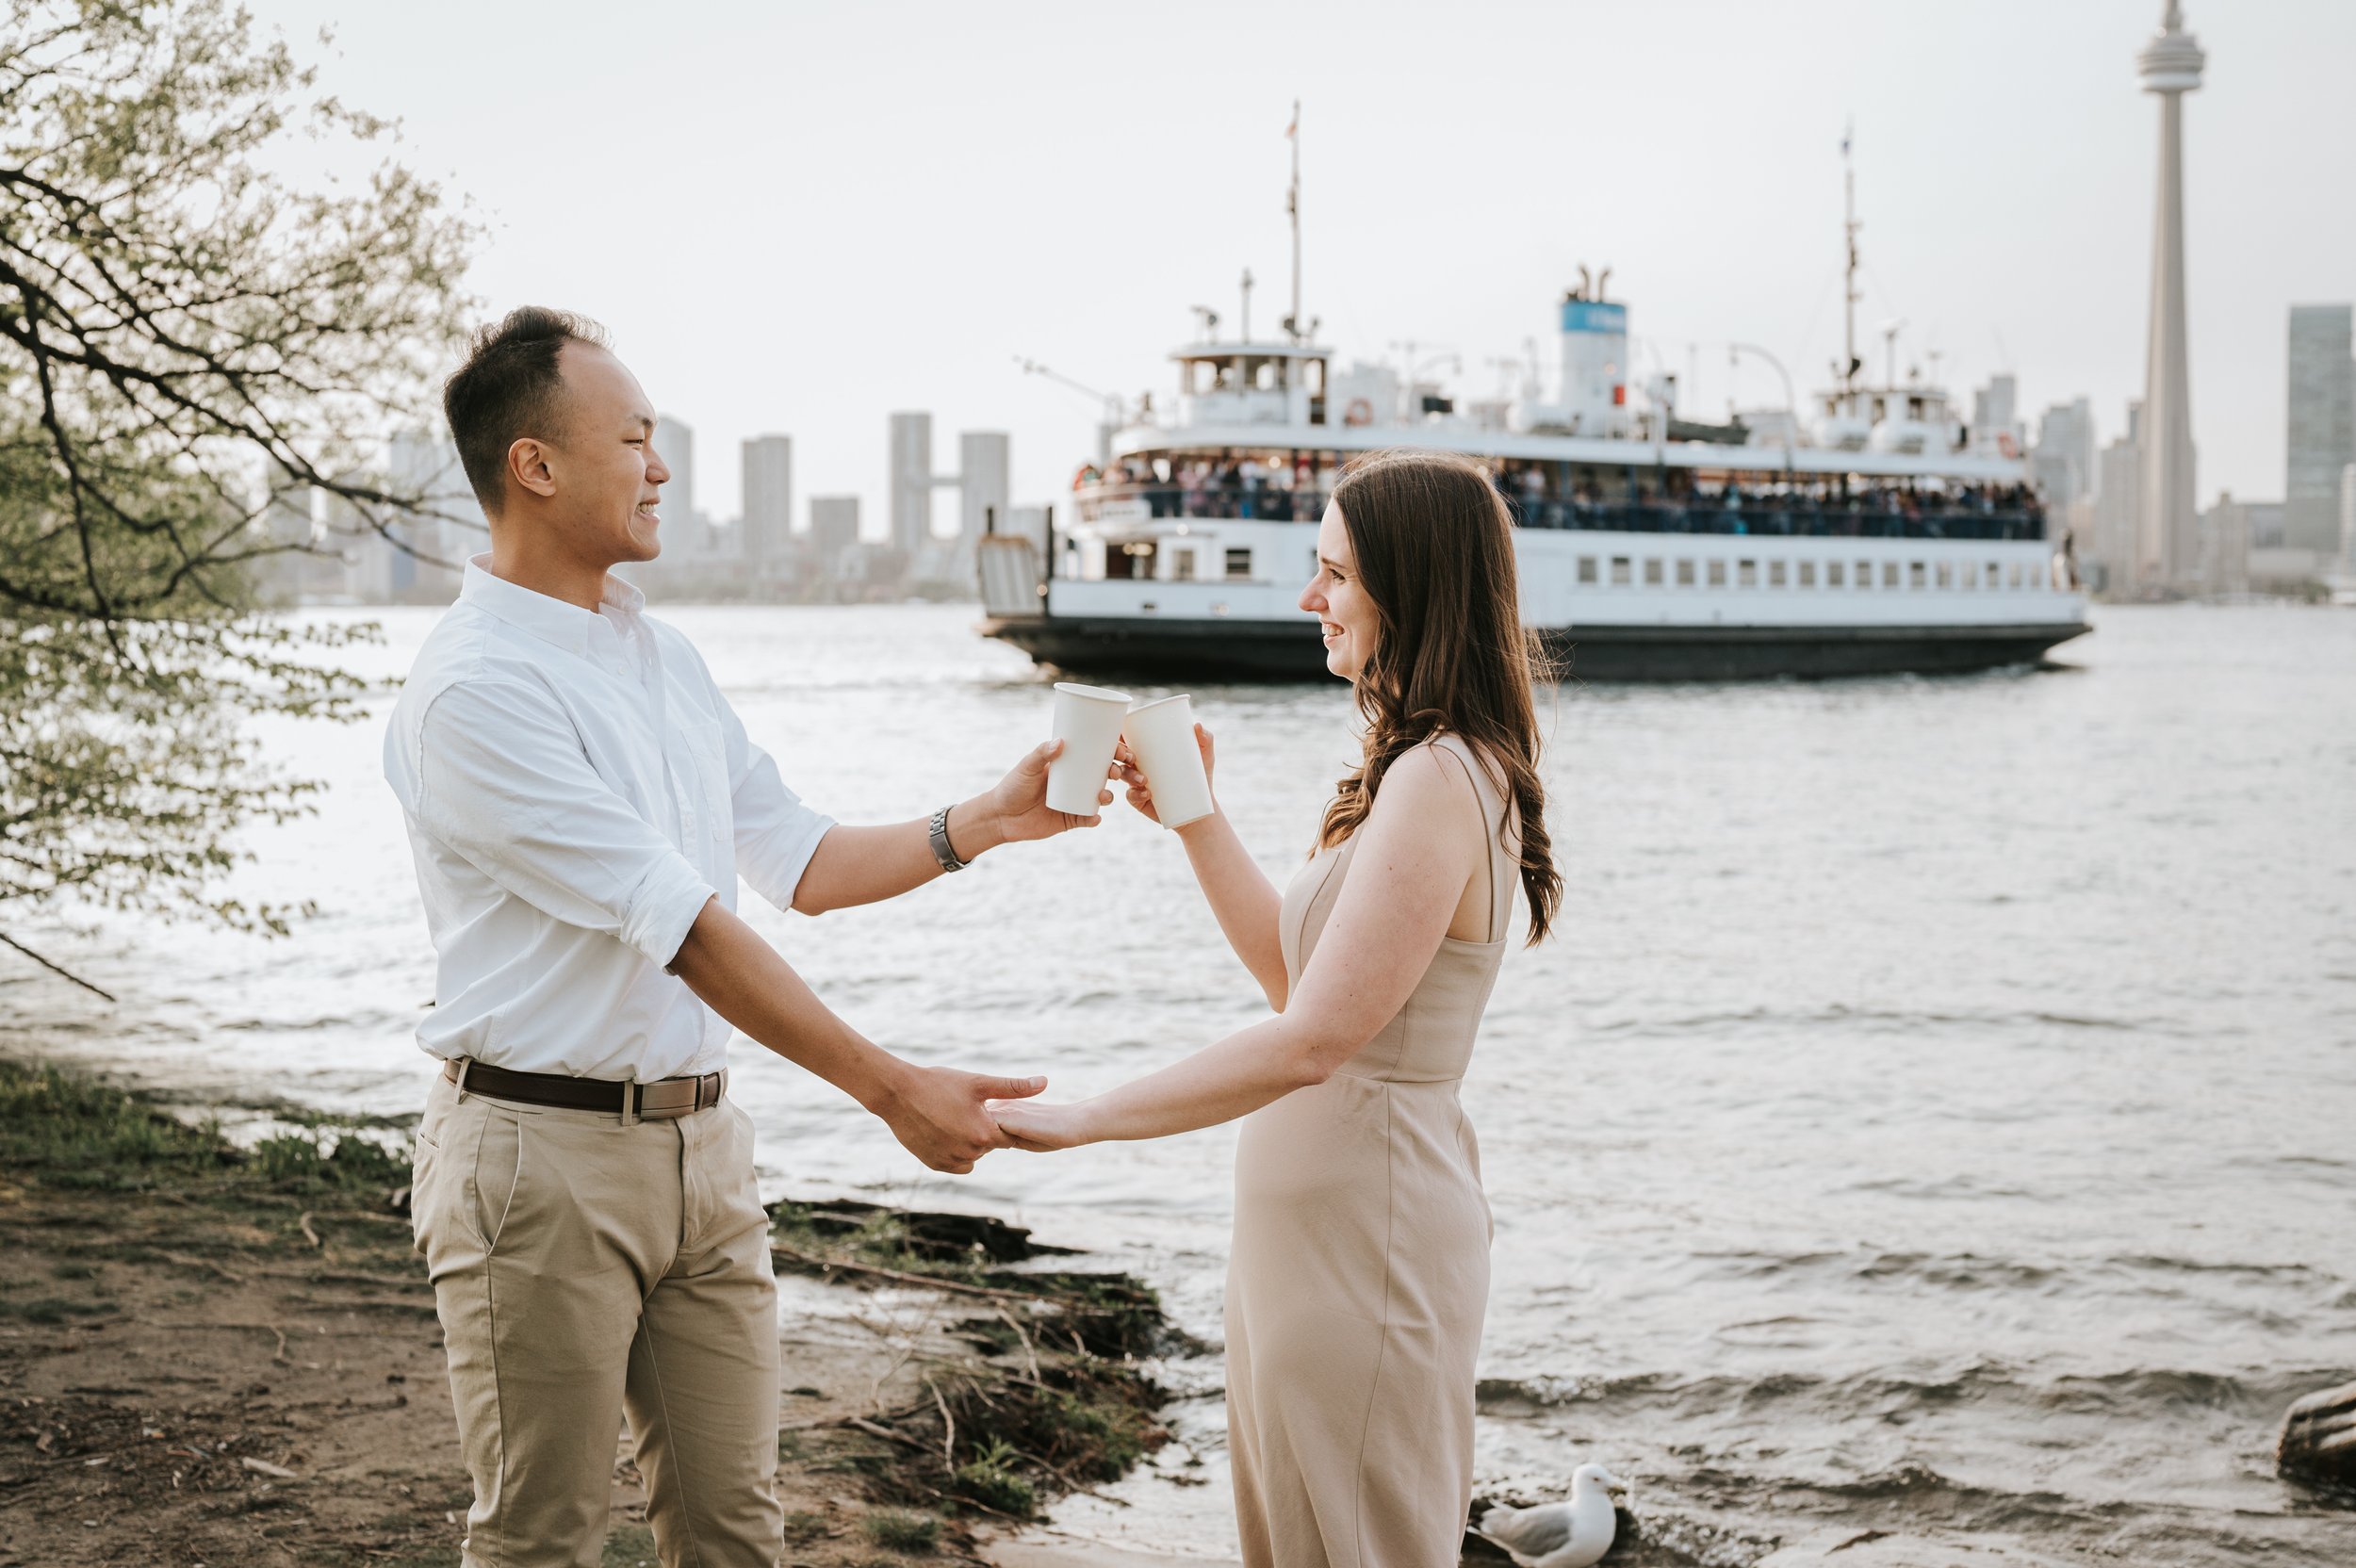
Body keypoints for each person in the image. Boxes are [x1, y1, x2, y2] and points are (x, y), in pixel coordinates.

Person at [384, 306, 1105, 1568]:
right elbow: (691, 933)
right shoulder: (474, 690)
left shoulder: (664, 660)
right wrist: (893, 1091)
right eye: (637, 440)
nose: (662, 468)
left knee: (735, 1533)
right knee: (538, 1537)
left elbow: (801, 863)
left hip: (702, 1151)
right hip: (536, 1162)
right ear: (534, 466)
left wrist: (985, 819)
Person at [991, 449, 1562, 1568]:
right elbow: (1297, 982)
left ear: (1411, 586)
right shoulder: (1416, 768)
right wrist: (1197, 814)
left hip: (1370, 1231)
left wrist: (1087, 1117)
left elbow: (1313, 1041)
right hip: (1315, 1235)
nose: (1310, 598)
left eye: (1334, 573)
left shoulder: (1441, 776)